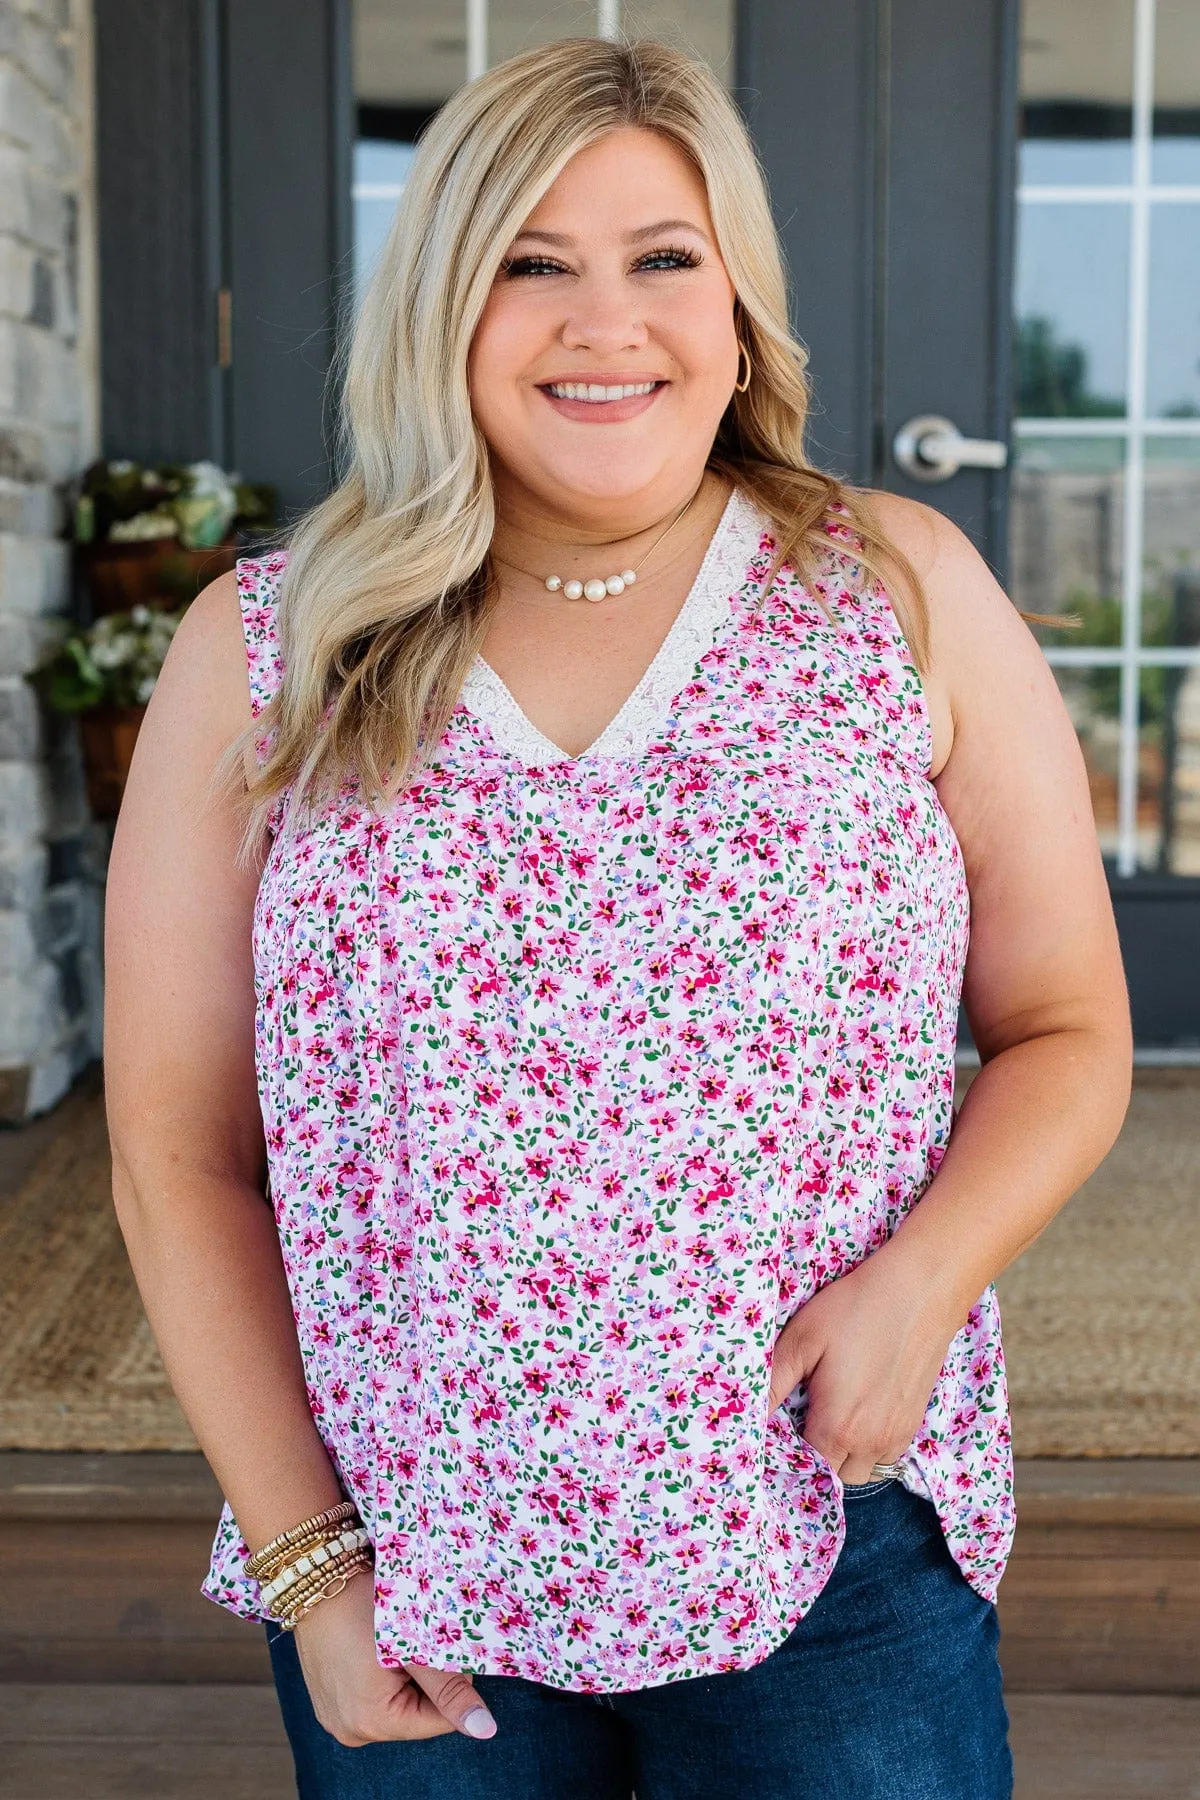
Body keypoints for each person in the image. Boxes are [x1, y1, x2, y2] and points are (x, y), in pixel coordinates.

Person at [104, 35, 1132, 1800]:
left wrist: (922, 1287)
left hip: (831, 1540)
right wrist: (311, 1571)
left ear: (737, 305)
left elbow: (1069, 1031)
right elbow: (176, 1153)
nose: (607, 321)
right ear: (446, 303)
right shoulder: (272, 650)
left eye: (664, 256)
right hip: (417, 1559)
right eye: (531, 262)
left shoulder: (897, 592)